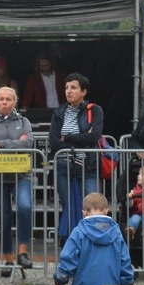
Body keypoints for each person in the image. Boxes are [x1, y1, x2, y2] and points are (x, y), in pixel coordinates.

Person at [0, 86, 34, 277]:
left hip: (22, 176)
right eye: (1, 99)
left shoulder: (24, 121)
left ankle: (23, 252)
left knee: (25, 207)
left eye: (8, 99)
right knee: (4, 217)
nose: (4, 102)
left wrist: (1, 144)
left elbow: (28, 143)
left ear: (15, 102)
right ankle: (8, 259)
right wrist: (14, 144)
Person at [49, 73, 102, 240]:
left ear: (84, 91)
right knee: (69, 207)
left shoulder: (94, 110)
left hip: (88, 166)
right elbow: (54, 142)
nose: (68, 91)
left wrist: (69, 138)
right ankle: (72, 244)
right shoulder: (59, 112)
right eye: (66, 88)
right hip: (64, 167)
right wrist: (80, 139)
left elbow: (94, 137)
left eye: (73, 87)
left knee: (93, 207)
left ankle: (92, 243)